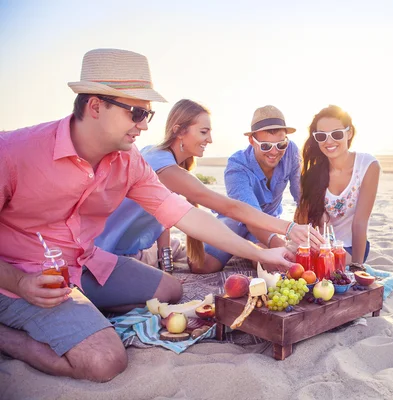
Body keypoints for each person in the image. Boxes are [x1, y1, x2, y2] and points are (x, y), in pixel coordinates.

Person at [0, 48, 294, 382]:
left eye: (147, 116)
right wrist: (21, 283)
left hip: (84, 262)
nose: (143, 125)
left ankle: (84, 314)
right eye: (136, 113)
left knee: (170, 290)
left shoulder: (129, 161)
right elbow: (223, 206)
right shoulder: (12, 152)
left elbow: (182, 214)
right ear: (95, 105)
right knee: (105, 361)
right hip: (20, 278)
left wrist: (261, 252)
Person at [95, 99, 321, 273]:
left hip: (127, 247)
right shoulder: (160, 161)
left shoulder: (170, 161)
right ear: (179, 130)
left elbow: (162, 217)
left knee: (168, 284)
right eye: (204, 132)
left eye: (280, 145)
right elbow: (230, 208)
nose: (210, 140)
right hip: (107, 248)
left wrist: (166, 264)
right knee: (171, 289)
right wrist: (288, 229)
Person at [203, 105, 308, 273]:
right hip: (238, 221)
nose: (274, 152)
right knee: (205, 266)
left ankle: (248, 251)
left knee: (270, 265)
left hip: (270, 222)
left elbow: (302, 197)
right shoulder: (236, 167)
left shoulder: (291, 151)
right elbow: (249, 216)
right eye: (266, 146)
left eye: (281, 144)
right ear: (252, 141)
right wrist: (281, 245)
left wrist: (309, 238)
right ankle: (241, 246)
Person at [295, 105, 380, 265]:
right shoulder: (312, 174)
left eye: (336, 134)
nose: (329, 141)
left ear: (349, 133)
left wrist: (357, 265)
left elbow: (360, 222)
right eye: (321, 136)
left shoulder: (367, 165)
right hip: (318, 247)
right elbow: (301, 221)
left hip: (349, 248)